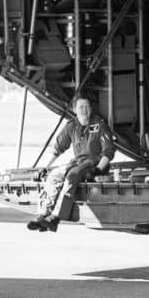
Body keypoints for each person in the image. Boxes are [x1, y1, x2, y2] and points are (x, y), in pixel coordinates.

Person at [27, 94, 113, 233]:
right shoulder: (71, 126)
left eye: (86, 107)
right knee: (54, 175)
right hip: (78, 162)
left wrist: (98, 169)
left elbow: (108, 151)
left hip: (95, 163)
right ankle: (43, 215)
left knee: (72, 176)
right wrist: (45, 166)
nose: (83, 110)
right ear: (74, 109)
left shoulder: (100, 125)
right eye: (80, 107)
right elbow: (58, 148)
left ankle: (55, 217)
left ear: (91, 109)